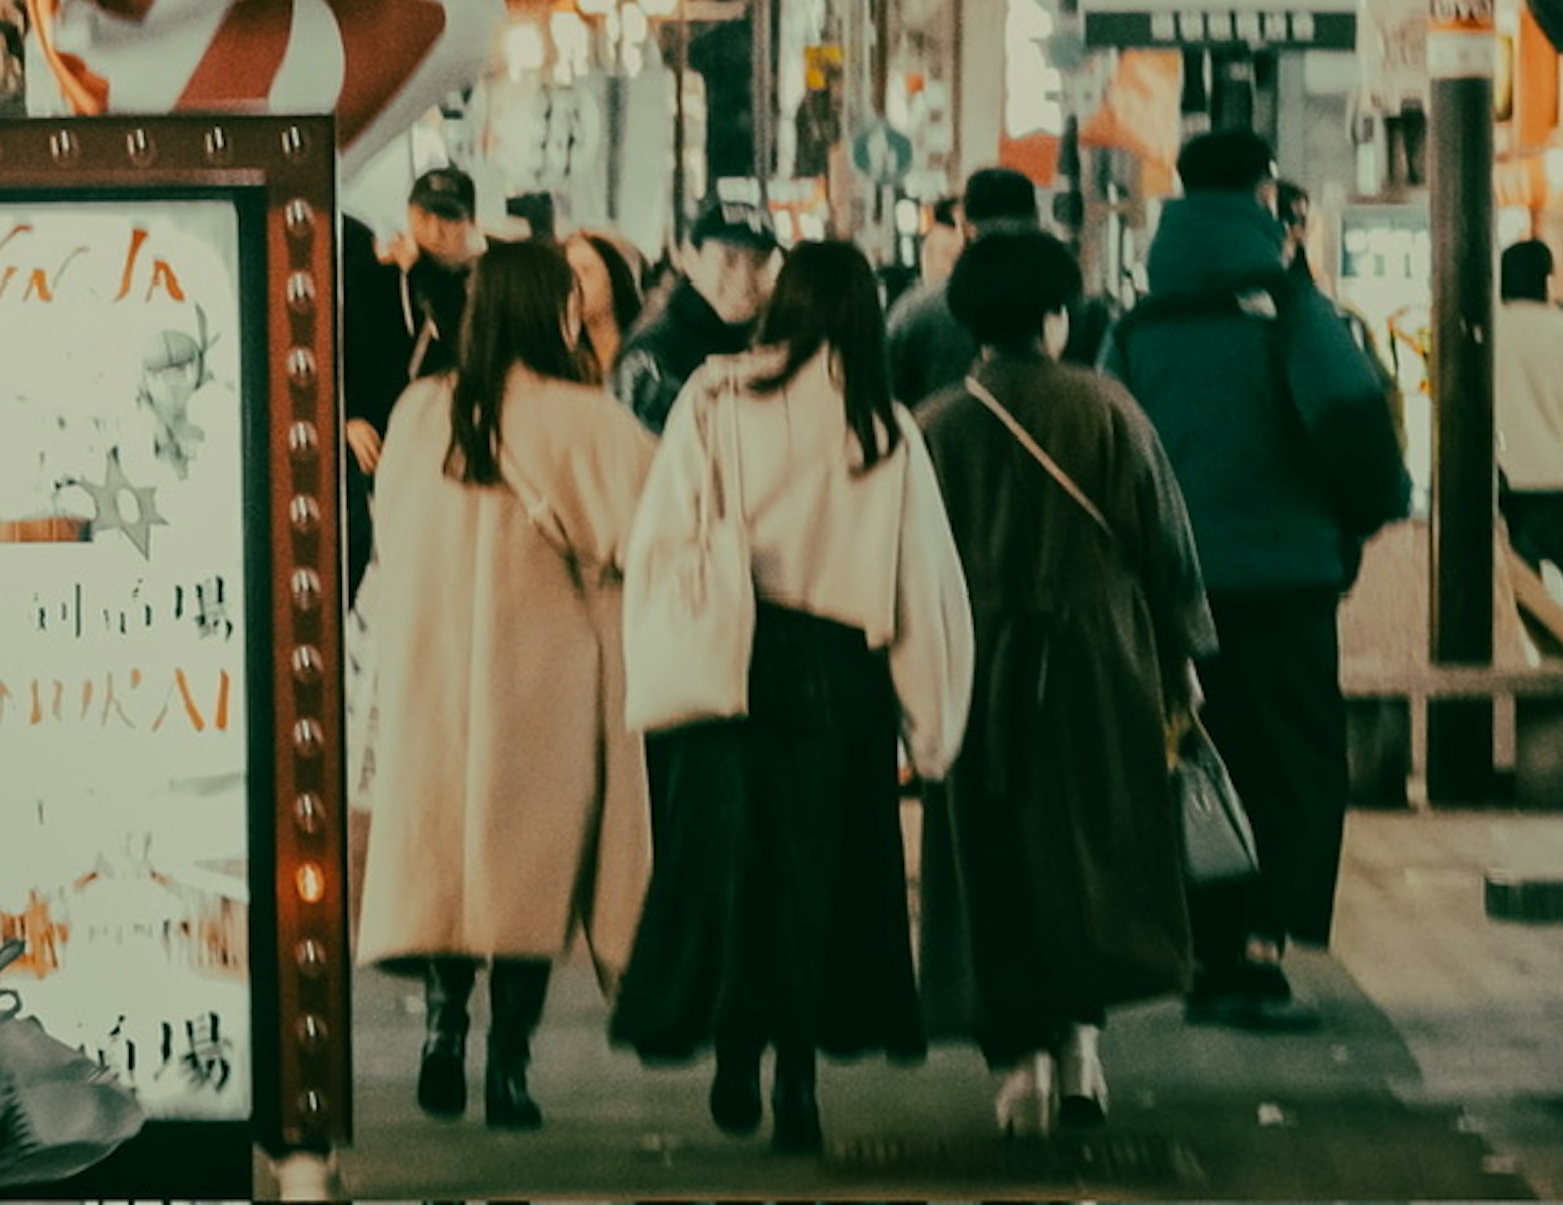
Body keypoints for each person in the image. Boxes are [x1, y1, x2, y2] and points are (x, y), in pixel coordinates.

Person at [612, 236, 972, 1151]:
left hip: (730, 665)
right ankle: (798, 1084)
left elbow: (659, 543)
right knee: (819, 880)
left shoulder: (715, 398)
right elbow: (922, 588)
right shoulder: (882, 427)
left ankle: (734, 1055)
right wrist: (932, 731)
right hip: (840, 680)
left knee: (733, 871)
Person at [916, 222, 1207, 1150]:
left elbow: (909, 573)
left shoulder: (936, 427)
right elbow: (1167, 551)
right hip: (1101, 666)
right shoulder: (1107, 408)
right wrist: (1184, 660)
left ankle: (1018, 1068)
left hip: (977, 671)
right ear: (1055, 316)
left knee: (989, 858)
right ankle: (1083, 1045)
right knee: (1094, 852)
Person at [1111, 131, 1408, 1022]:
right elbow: (1355, 423)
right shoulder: (1289, 306)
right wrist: (1356, 520)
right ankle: (1259, 948)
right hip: (1284, 585)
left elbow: (1114, 450)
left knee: (1197, 759)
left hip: (1173, 591)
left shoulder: (1136, 324)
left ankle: (1205, 943)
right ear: (1265, 194)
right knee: (1291, 764)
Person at [362, 239, 657, 1131]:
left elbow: (390, 532)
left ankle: (443, 1033)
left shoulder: (420, 412)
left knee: (450, 862)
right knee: (533, 867)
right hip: (547, 682)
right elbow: (646, 538)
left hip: (432, 681)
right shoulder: (588, 421)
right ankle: (509, 1070)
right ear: (554, 311)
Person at [345, 162, 484, 478]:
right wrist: (348, 416)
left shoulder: (480, 290)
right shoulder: (371, 273)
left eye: (450, 219)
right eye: (424, 217)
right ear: (409, 215)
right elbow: (339, 347)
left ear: (471, 225)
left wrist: (421, 271)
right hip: (369, 446)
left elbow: (456, 338)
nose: (435, 231)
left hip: (435, 457)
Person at [612, 198, 776, 432]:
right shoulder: (653, 357)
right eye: (729, 259)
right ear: (691, 258)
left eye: (759, 261)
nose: (745, 278)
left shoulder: (775, 345)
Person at [886, 163, 1040, 407]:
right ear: (1036, 223)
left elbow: (886, 399)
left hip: (935, 439)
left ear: (966, 228)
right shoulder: (1070, 308)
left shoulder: (918, 312)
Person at [1495, 239, 1563, 590]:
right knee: (1545, 582)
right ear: (1546, 278)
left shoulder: (1487, 325)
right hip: (1552, 472)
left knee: (1496, 578)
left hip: (1492, 473)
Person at [562, 224, 649, 385]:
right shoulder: (568, 365)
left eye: (586, 271)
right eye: (569, 275)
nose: (577, 285)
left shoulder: (645, 355)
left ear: (613, 279)